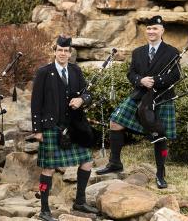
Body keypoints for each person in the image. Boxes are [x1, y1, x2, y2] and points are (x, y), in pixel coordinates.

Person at [96, 15, 180, 189]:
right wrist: (140, 80)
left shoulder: (172, 52)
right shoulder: (138, 52)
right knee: (115, 121)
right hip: (139, 95)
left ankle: (160, 173)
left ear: (162, 30)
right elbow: (131, 74)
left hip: (161, 98)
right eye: (148, 28)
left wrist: (155, 81)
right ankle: (115, 163)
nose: (151, 31)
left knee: (159, 135)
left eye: (155, 28)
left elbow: (175, 76)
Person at [31, 35, 98, 221]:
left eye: (66, 51)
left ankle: (80, 201)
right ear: (55, 51)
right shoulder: (44, 72)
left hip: (73, 125)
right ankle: (44, 209)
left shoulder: (76, 70)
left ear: (70, 53)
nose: (62, 53)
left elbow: (87, 94)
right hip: (51, 126)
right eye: (59, 50)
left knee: (87, 161)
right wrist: (37, 130)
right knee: (49, 168)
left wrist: (82, 100)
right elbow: (36, 103)